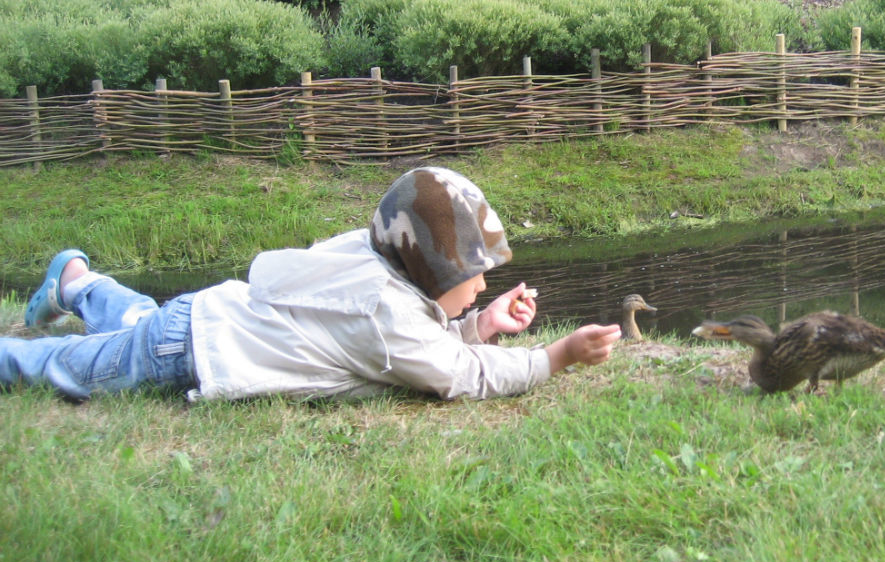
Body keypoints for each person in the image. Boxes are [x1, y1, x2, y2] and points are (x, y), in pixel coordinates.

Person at [2, 166, 620, 402]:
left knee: (137, 325)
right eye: (473, 270)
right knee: (60, 367)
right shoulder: (385, 316)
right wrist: (556, 356)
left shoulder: (372, 255)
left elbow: (429, 339)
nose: (485, 281)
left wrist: (479, 326)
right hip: (190, 353)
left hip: (197, 319)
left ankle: (79, 283)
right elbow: (463, 375)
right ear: (430, 271)